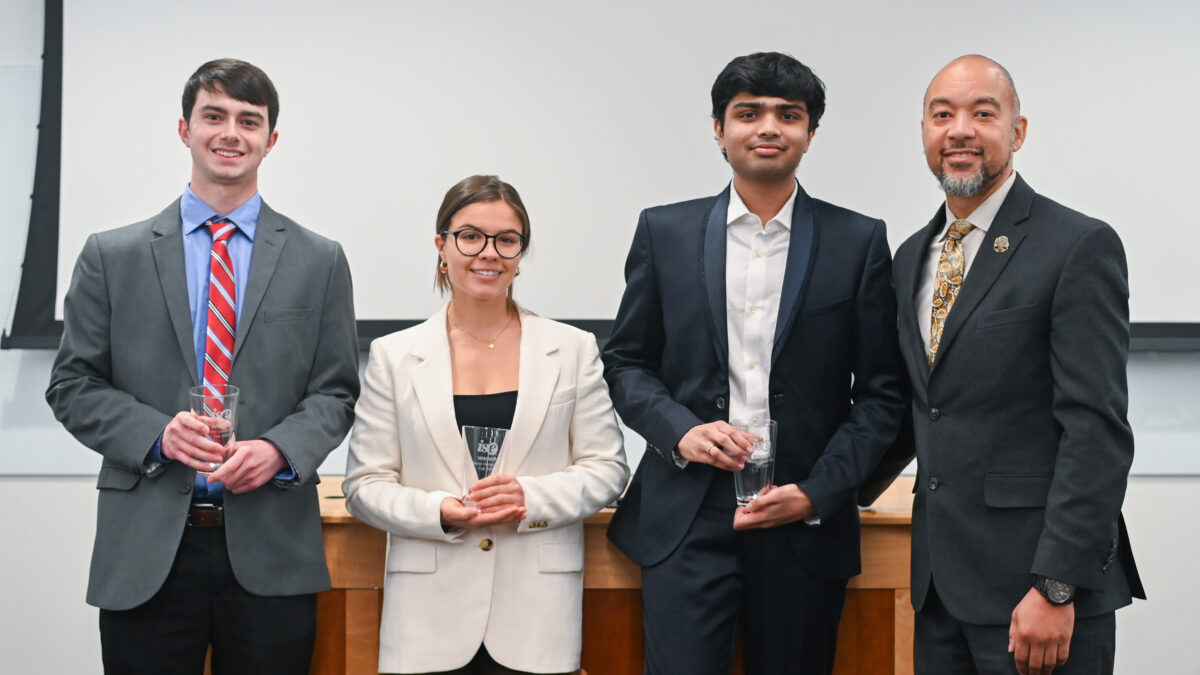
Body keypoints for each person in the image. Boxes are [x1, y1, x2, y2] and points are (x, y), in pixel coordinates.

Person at [45, 59, 359, 674]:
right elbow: (73, 386)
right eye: (214, 115)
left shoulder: (319, 260)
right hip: (147, 548)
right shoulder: (112, 256)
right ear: (184, 128)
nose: (230, 133)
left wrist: (279, 450)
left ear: (271, 140)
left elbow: (336, 393)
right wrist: (155, 434)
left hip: (271, 544)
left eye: (249, 120)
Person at [602, 52, 906, 674]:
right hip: (686, 516)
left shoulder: (859, 241)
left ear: (810, 134)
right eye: (748, 113)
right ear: (719, 129)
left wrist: (818, 493)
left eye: (787, 115)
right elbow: (627, 362)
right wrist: (680, 430)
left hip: (802, 516)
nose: (768, 127)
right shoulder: (665, 232)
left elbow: (882, 394)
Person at [893, 54, 1145, 675]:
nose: (960, 131)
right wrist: (815, 492)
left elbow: (1096, 431)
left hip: (1036, 597)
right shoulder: (909, 259)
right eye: (941, 114)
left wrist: (1057, 585)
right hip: (940, 594)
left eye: (984, 113)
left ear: (1017, 131)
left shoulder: (1077, 245)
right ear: (924, 131)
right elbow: (921, 410)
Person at [342, 175, 629, 675]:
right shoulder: (393, 356)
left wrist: (531, 499)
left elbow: (607, 468)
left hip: (536, 618)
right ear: (442, 247)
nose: (488, 253)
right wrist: (440, 512)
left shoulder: (573, 349)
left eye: (507, 240)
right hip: (427, 620)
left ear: (520, 255)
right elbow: (364, 485)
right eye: (470, 236)